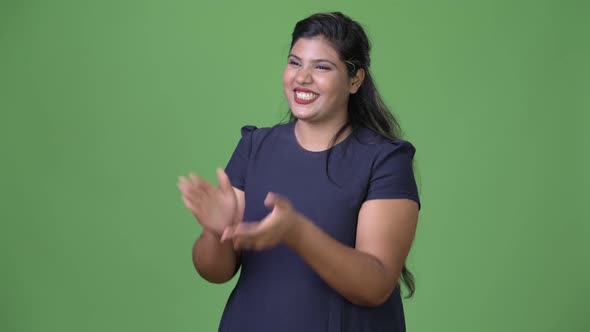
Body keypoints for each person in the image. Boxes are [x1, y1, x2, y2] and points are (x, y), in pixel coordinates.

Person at [178, 11, 421, 332]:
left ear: (355, 80)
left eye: (321, 67)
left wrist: (296, 232)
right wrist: (215, 233)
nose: (302, 77)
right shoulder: (255, 146)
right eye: (295, 62)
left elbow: (374, 286)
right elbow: (215, 271)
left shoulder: (386, 159)